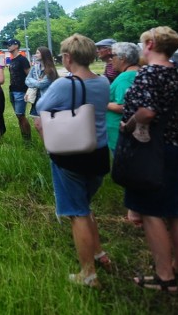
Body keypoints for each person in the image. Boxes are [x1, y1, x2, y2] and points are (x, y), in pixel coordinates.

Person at [120, 26, 178, 293]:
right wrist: (175, 131)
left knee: (152, 212)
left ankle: (165, 277)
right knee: (177, 212)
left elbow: (147, 111)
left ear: (151, 44)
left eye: (143, 44)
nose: (142, 49)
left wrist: (128, 125)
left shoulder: (149, 74)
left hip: (154, 152)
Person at [34, 34, 111, 289]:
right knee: (85, 206)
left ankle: (88, 274)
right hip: (99, 153)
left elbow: (40, 114)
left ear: (67, 58)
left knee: (76, 213)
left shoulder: (64, 85)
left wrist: (47, 141)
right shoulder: (103, 82)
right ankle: (100, 253)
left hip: (70, 156)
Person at [105, 42, 141, 153]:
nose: (110, 60)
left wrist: (102, 102)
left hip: (120, 135)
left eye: (112, 56)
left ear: (123, 58)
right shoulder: (140, 72)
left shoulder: (125, 78)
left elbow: (124, 106)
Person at [6, 39, 33, 142]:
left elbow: (29, 75)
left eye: (10, 44)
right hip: (12, 90)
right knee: (18, 116)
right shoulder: (12, 60)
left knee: (21, 115)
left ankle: (28, 141)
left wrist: (29, 90)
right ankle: (24, 138)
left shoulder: (22, 60)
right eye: (7, 45)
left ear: (16, 46)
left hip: (21, 91)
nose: (8, 46)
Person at [25, 46, 58, 118]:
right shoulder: (35, 68)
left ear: (44, 54)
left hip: (46, 99)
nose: (35, 55)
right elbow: (26, 80)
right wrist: (36, 81)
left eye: (37, 53)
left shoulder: (51, 70)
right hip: (36, 98)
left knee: (44, 123)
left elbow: (40, 85)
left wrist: (33, 81)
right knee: (37, 123)